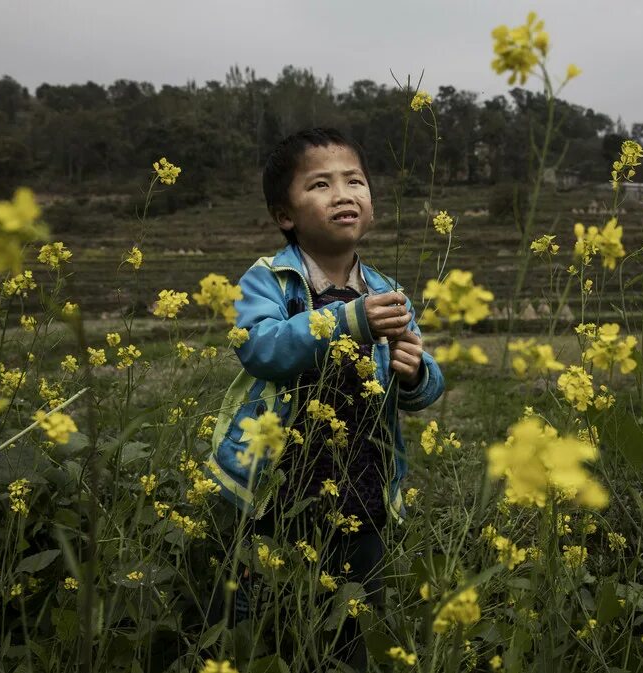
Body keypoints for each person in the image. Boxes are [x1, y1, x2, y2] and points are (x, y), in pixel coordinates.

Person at [204, 127, 445, 669]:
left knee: (351, 623)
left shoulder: (385, 289)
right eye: (320, 184)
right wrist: (348, 320)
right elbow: (259, 347)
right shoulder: (269, 280)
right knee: (260, 618)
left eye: (355, 181)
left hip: (361, 483)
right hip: (277, 487)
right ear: (284, 214)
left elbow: (422, 380)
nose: (343, 194)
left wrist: (414, 374)